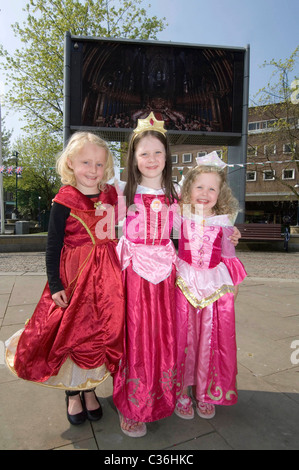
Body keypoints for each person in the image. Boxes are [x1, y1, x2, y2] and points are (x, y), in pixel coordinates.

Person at [5, 132, 124, 426]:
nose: (93, 169)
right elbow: (53, 245)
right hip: (74, 277)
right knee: (71, 333)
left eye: (99, 163)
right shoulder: (64, 200)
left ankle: (90, 388)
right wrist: (55, 284)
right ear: (71, 163)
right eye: (86, 162)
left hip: (106, 278)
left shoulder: (111, 195)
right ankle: (72, 393)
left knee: (97, 333)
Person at [112, 112, 182, 438]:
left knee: (164, 336)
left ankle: (161, 395)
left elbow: (196, 230)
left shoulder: (177, 193)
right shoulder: (123, 191)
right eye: (144, 153)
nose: (151, 159)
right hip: (134, 277)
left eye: (158, 152)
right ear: (134, 158)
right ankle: (133, 403)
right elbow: (97, 227)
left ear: (167, 157)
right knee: (136, 337)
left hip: (166, 276)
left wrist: (228, 237)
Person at [174, 151, 247, 420]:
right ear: (188, 188)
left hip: (215, 285)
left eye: (212, 188)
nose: (205, 193)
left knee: (209, 339)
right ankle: (181, 392)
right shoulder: (180, 213)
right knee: (184, 339)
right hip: (184, 283)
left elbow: (229, 255)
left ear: (221, 192)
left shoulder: (225, 222)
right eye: (199, 187)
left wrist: (234, 286)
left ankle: (205, 392)